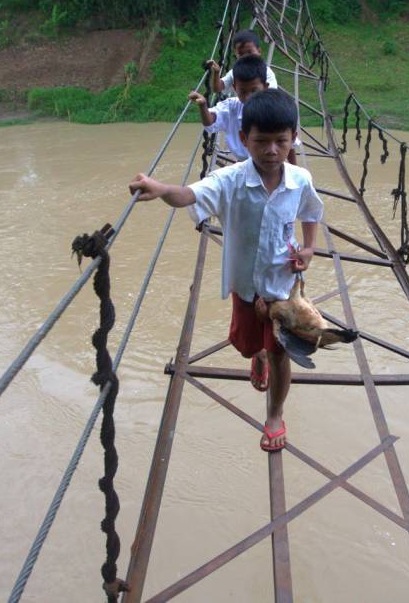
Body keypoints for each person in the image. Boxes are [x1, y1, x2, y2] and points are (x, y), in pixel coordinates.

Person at [129, 89, 324, 452]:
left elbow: (312, 211)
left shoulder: (300, 180)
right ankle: (257, 357)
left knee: (283, 352)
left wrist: (309, 249)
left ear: (293, 138)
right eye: (261, 141)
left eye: (281, 141)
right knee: (247, 343)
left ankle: (275, 415)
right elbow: (189, 195)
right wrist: (160, 189)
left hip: (283, 288)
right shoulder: (230, 180)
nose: (271, 151)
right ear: (243, 139)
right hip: (245, 287)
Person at [189, 54, 297, 165]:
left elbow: (289, 142)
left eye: (254, 91)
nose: (248, 97)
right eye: (243, 91)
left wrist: (295, 169)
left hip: (273, 164)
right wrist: (203, 106)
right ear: (235, 88)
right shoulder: (231, 107)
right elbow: (211, 121)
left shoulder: (276, 109)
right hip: (244, 165)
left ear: (265, 86)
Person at [207, 29, 278, 96]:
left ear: (259, 51)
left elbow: (271, 96)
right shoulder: (234, 72)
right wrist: (216, 73)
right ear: (236, 55)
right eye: (241, 54)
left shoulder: (267, 73)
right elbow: (217, 89)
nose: (246, 57)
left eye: (250, 52)